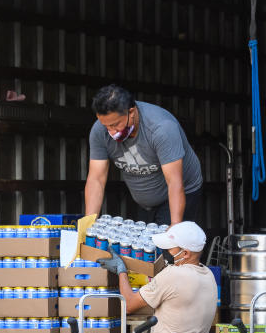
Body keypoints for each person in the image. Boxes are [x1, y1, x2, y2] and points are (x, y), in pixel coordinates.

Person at [86, 84, 204, 226]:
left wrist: (175, 228)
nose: (111, 132)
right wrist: (88, 226)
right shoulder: (99, 131)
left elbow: (174, 182)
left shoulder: (161, 129)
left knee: (171, 244)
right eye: (106, 126)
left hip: (181, 191)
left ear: (132, 112)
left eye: (115, 124)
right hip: (145, 200)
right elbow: (96, 179)